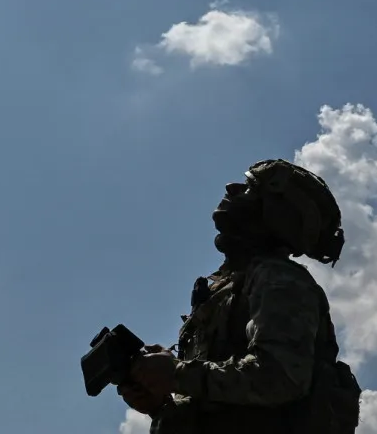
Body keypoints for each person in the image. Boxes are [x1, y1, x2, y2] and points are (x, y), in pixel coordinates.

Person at [118, 159, 361, 433]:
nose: (231, 188)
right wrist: (161, 403)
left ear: (276, 216)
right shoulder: (229, 288)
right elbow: (222, 407)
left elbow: (279, 378)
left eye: (249, 189)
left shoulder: (278, 280)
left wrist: (177, 373)